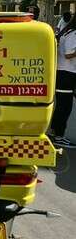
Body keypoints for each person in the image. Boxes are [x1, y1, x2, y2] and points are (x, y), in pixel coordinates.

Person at [49, 14, 76, 148]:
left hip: (66, 73)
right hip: (65, 73)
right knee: (64, 107)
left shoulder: (69, 32)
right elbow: (68, 54)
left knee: (63, 106)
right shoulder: (73, 34)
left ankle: (56, 133)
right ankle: (58, 135)